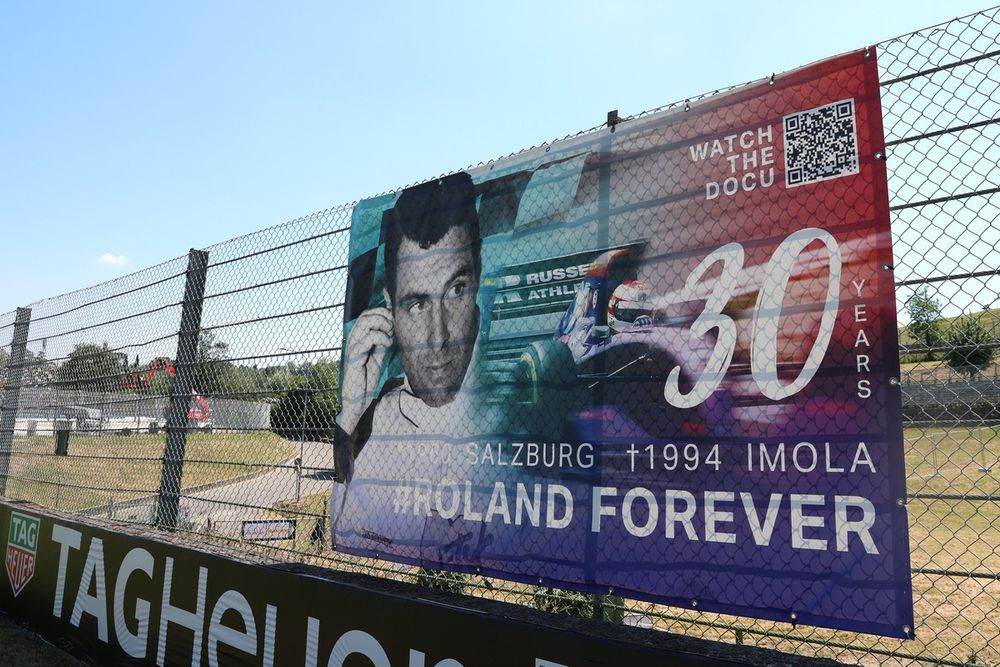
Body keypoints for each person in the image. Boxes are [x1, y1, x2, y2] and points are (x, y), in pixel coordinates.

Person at [334, 171, 483, 484]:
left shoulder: (517, 401)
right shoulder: (381, 419)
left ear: (478, 282)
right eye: (417, 305)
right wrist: (352, 413)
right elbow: (346, 489)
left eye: (455, 291)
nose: (438, 337)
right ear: (390, 309)